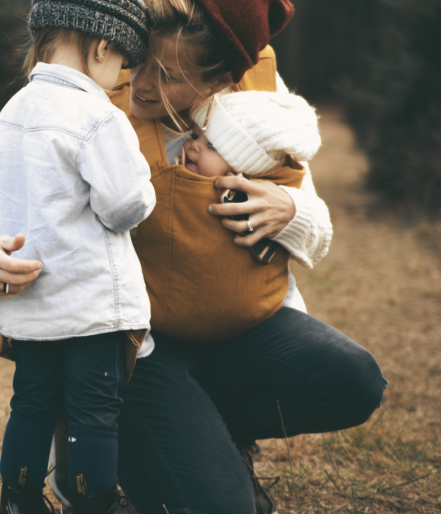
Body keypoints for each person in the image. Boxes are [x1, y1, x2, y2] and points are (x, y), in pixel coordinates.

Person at [0, 0, 387, 514]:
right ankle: (90, 424)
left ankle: (200, 431)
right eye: (140, 61)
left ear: (220, 79)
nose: (144, 84)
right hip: (137, 347)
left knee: (355, 381)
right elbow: (17, 199)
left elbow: (314, 225)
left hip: (239, 331)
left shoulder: (256, 112)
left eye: (170, 75)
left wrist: (290, 209)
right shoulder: (97, 106)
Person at [0, 0, 155, 513]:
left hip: (31, 304)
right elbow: (124, 204)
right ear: (104, 45)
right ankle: (93, 502)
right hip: (89, 306)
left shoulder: (11, 112)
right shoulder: (97, 115)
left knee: (31, 402)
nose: (121, 78)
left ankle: (18, 499)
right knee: (92, 413)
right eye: (122, 64)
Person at [135, 90, 321, 343]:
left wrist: (294, 211)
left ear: (241, 171)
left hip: (261, 319)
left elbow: (318, 239)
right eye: (195, 135)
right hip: (163, 325)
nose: (192, 145)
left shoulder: (265, 96)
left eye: (211, 145)